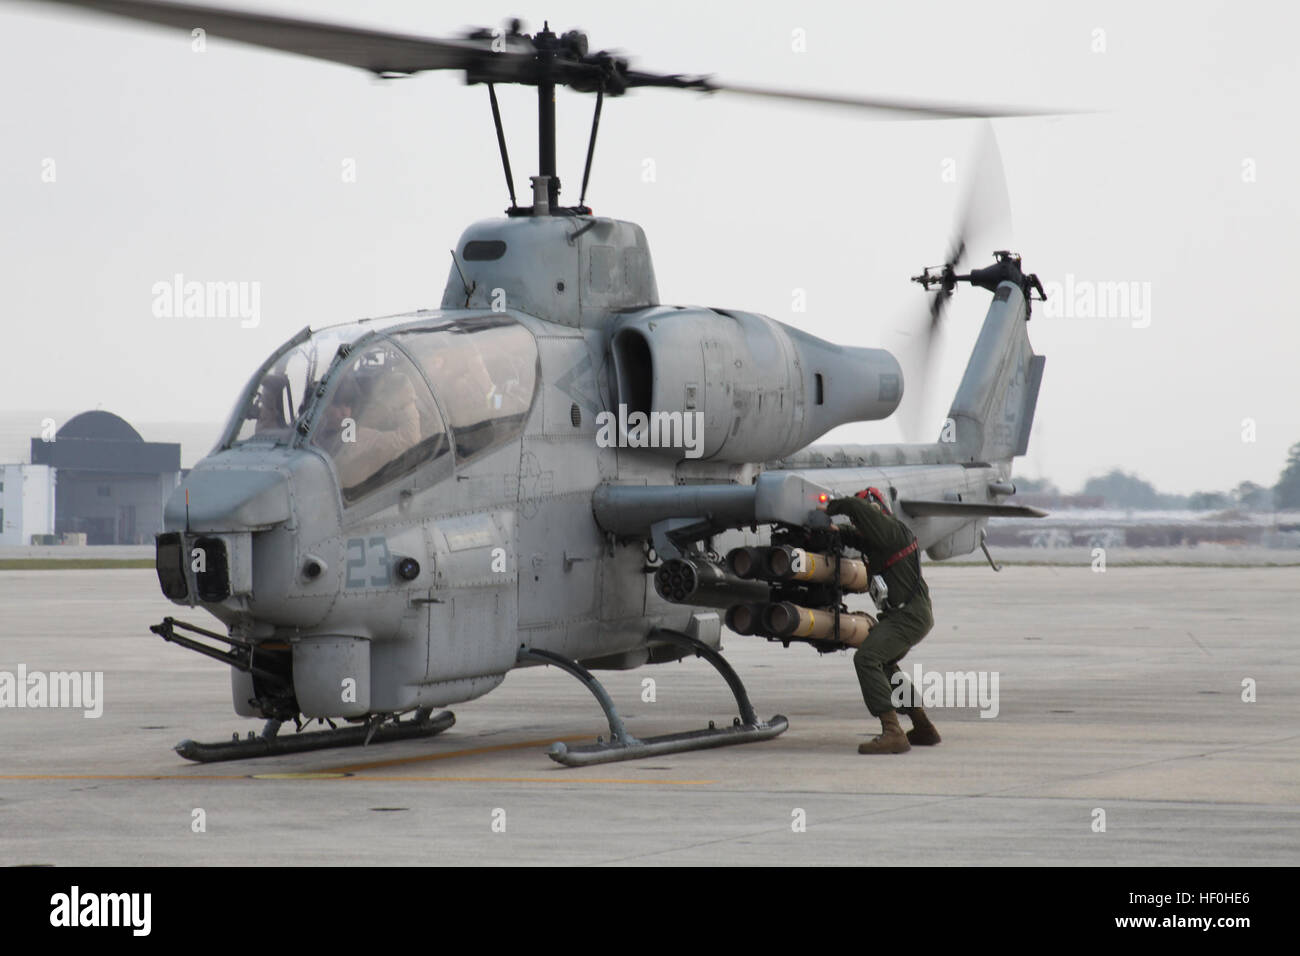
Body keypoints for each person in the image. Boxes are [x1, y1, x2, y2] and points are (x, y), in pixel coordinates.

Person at [821, 487, 942, 754]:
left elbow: (856, 507)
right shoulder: (882, 539)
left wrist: (829, 507)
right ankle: (923, 726)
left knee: (866, 659)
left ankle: (892, 732)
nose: (858, 524)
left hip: (907, 615)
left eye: (864, 517)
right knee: (884, 663)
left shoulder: (892, 530)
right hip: (910, 614)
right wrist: (834, 532)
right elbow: (857, 538)